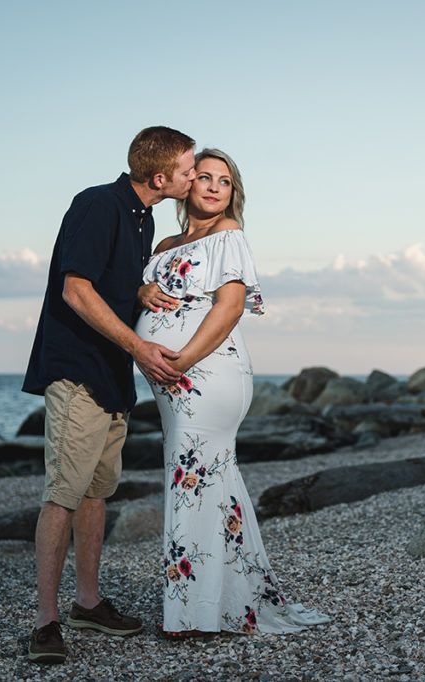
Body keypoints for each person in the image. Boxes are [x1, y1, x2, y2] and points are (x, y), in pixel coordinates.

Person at [135, 148, 331, 636]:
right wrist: (141, 294)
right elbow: (143, 290)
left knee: (192, 480)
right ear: (186, 185)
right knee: (211, 483)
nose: (213, 187)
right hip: (171, 383)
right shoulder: (164, 244)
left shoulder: (229, 237)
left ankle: (193, 617)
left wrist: (183, 359)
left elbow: (229, 308)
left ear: (232, 193)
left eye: (224, 181)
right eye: (204, 177)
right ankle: (230, 602)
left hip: (207, 373)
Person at [21, 126, 196, 664]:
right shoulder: (99, 204)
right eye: (189, 170)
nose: (194, 177)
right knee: (62, 496)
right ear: (159, 176)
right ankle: (46, 623)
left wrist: (140, 290)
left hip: (112, 374)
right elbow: (76, 289)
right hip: (77, 373)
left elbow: (110, 282)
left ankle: (88, 603)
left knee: (96, 494)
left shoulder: (141, 215)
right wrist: (140, 348)